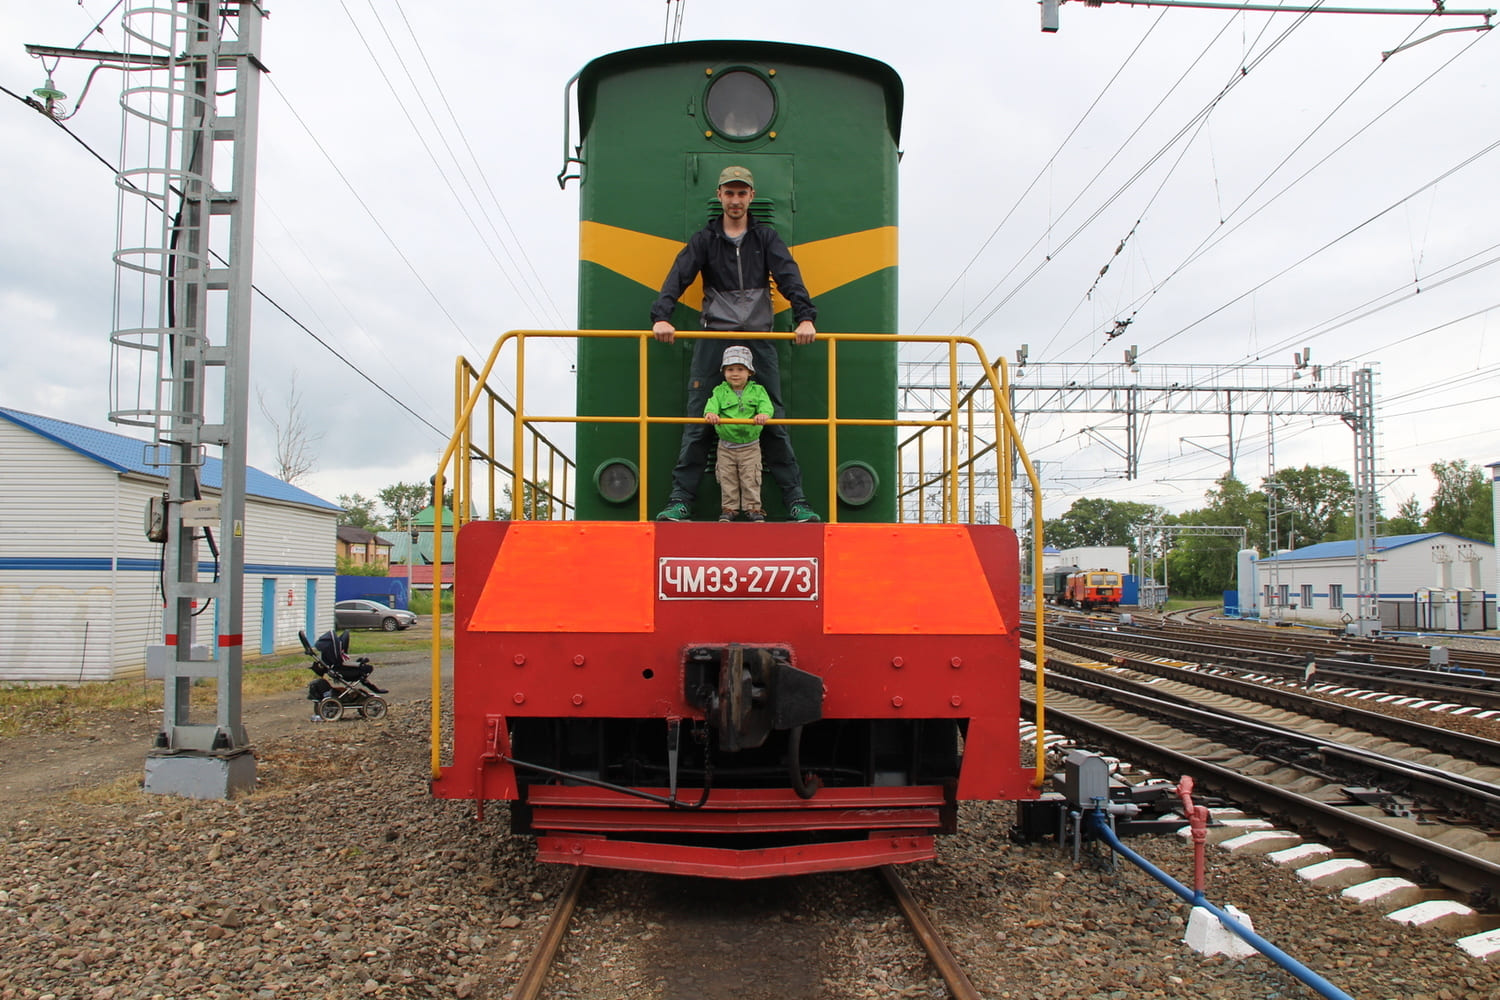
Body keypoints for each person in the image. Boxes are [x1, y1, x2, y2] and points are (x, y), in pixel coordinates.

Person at [650, 164, 821, 523]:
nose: (735, 200)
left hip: (759, 337)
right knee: (698, 418)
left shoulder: (766, 239)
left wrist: (806, 317)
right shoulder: (705, 240)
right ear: (720, 196)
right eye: (729, 193)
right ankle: (680, 501)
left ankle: (796, 502)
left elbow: (789, 276)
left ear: (751, 197)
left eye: (742, 193)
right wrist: (661, 316)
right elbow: (678, 276)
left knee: (772, 418)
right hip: (715, 336)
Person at [704, 345, 774, 522]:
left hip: (750, 445)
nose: (735, 373)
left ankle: (753, 509)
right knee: (727, 478)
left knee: (751, 477)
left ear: (749, 372)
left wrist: (764, 414)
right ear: (724, 372)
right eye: (730, 369)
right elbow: (711, 405)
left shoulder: (758, 391)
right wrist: (710, 414)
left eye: (740, 369)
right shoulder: (720, 391)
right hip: (726, 445)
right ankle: (730, 509)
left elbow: (767, 406)